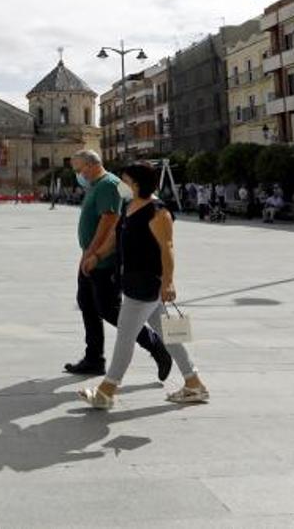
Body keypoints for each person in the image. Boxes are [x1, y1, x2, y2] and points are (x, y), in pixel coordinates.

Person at [78, 163, 208, 410]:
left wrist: (168, 282)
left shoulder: (158, 212)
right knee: (168, 337)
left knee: (125, 337)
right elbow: (117, 239)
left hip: (147, 284)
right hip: (132, 282)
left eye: (124, 180)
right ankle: (194, 383)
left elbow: (167, 248)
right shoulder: (129, 207)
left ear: (136, 184)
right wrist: (96, 256)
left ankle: (106, 391)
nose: (120, 184)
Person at [64, 150, 172, 380]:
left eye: (80, 169)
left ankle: (156, 347)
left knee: (109, 310)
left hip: (104, 261)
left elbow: (110, 219)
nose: (78, 174)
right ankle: (94, 358)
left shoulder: (108, 185)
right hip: (91, 256)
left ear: (93, 165)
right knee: (87, 304)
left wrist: (93, 253)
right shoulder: (97, 184)